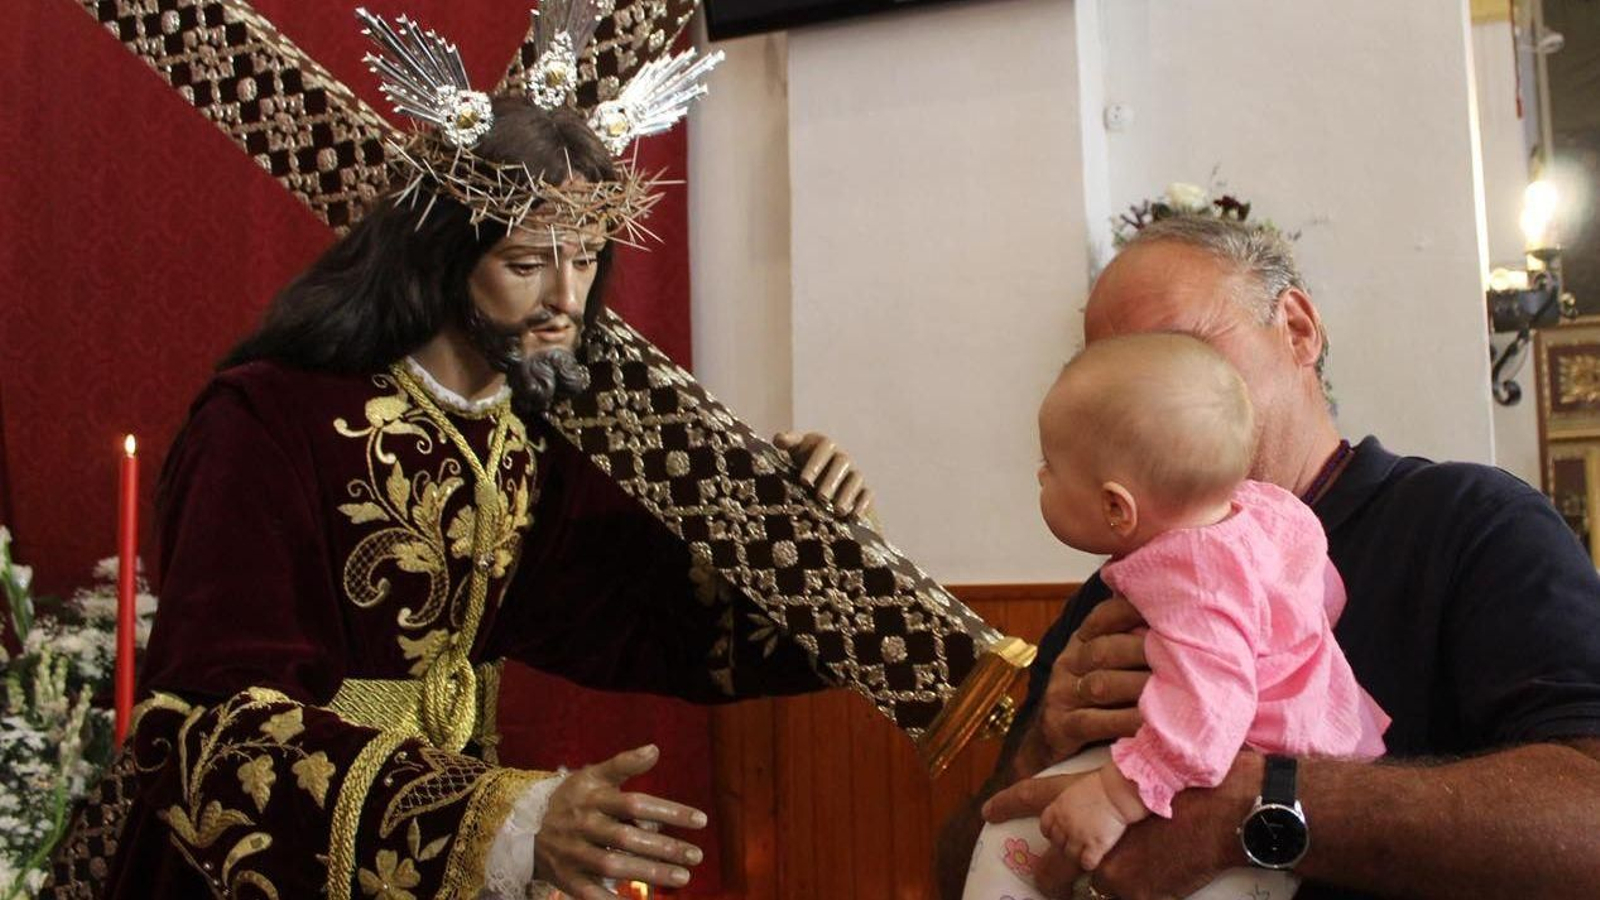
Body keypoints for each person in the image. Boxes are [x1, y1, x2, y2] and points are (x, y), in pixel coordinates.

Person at [43, 11, 874, 900]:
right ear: (442, 258)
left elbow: (639, 615)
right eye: (525, 264)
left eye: (587, 261)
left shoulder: (524, 433)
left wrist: (796, 534)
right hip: (259, 862)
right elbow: (213, 723)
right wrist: (502, 822)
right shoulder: (269, 419)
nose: (566, 301)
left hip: (431, 861)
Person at [940, 216, 1600, 900]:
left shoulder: (1470, 522)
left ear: (1298, 330)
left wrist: (1251, 807)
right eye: (1110, 371)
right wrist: (1045, 744)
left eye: (1176, 347)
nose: (1139, 393)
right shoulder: (1116, 591)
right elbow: (968, 856)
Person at [963, 333, 1386, 900]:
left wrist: (1119, 794)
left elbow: (1211, 707)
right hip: (1309, 750)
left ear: (1117, 507)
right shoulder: (1259, 510)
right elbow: (1319, 595)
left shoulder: (1189, 578)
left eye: (1050, 467)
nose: (1041, 478)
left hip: (1243, 780)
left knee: (1005, 850)